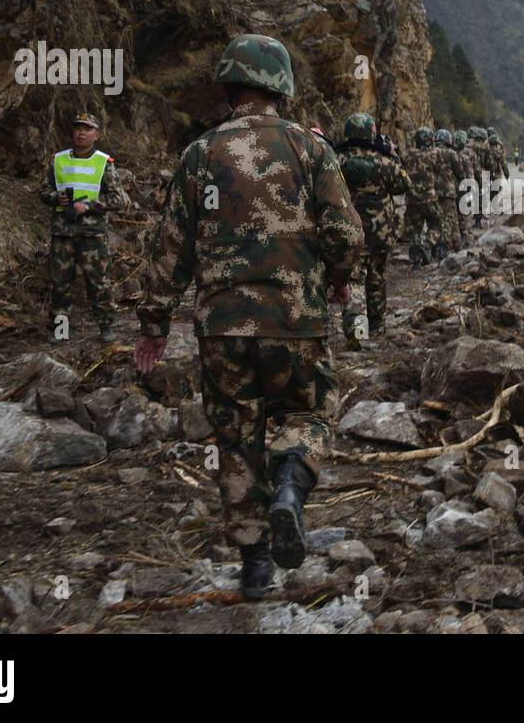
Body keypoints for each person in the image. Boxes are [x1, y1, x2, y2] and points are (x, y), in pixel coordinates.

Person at [134, 33, 363, 600]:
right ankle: (290, 486)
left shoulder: (198, 155)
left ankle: (255, 564)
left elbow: (170, 250)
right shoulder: (311, 150)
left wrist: (154, 325)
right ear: (280, 87)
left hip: (221, 328)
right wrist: (337, 277)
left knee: (236, 439)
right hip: (295, 320)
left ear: (231, 85)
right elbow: (346, 233)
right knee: (307, 409)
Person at [39, 111, 127, 344]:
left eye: (87, 129)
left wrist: (89, 206)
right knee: (59, 285)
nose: (81, 132)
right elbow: (43, 191)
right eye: (78, 127)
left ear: (96, 135)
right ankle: (60, 330)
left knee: (98, 283)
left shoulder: (103, 163)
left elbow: (119, 200)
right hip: (63, 233)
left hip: (92, 235)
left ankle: (106, 326)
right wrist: (56, 198)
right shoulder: (59, 160)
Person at [337, 112, 410, 344]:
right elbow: (404, 185)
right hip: (379, 233)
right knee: (376, 278)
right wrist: (394, 155)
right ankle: (377, 326)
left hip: (348, 231)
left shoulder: (335, 160)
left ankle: (357, 331)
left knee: (353, 279)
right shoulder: (384, 162)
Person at [403, 127, 440, 267]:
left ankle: (415, 261)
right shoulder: (434, 153)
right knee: (436, 223)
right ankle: (428, 243)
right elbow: (440, 171)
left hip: (411, 199)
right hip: (429, 198)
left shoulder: (406, 154)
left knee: (414, 229)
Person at [431, 129, 465, 257]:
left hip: (432, 191)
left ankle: (453, 244)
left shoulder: (431, 152)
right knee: (450, 218)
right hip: (448, 191)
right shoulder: (452, 153)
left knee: (436, 220)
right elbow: (461, 173)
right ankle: (443, 247)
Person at [454, 129, 478, 247]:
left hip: (450, 190)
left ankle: (456, 238)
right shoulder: (466, 156)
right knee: (463, 215)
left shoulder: (448, 154)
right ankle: (463, 238)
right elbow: (470, 177)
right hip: (463, 190)